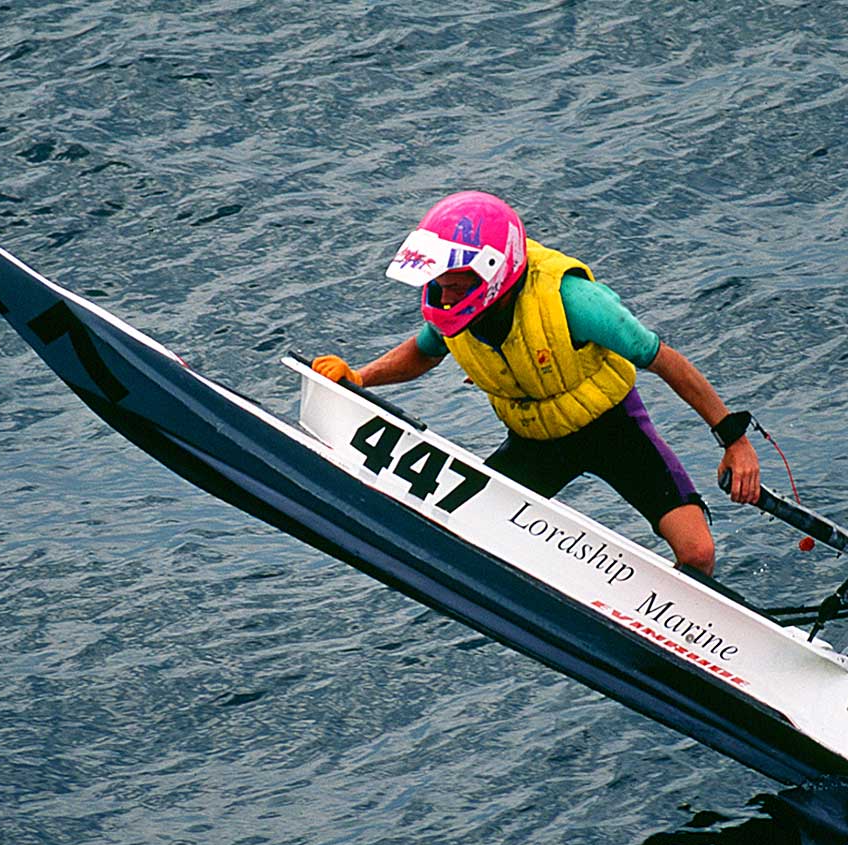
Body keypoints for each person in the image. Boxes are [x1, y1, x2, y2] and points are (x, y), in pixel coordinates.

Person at [313, 191, 760, 577]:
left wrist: (734, 440)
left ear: (491, 270)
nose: (443, 297)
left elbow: (666, 362)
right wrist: (359, 377)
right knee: (461, 531)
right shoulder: (456, 313)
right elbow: (422, 352)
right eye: (438, 285)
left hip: (612, 429)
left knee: (697, 552)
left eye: (453, 285)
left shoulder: (573, 301)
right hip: (535, 443)